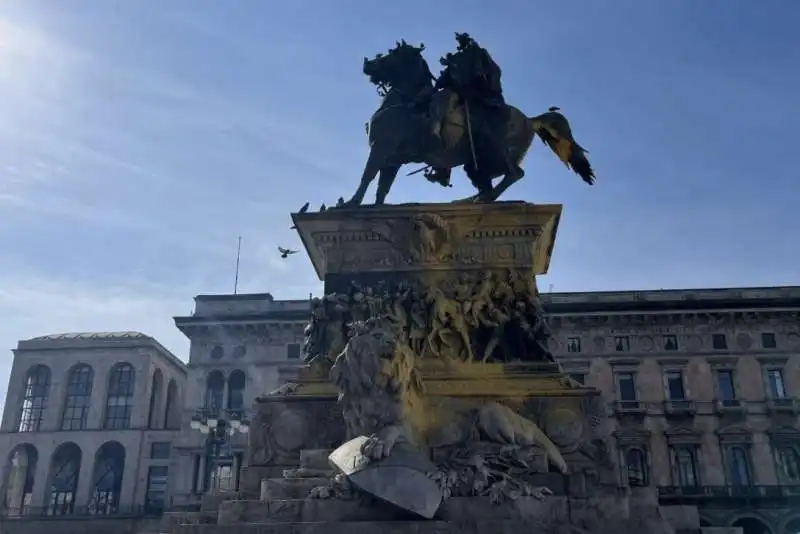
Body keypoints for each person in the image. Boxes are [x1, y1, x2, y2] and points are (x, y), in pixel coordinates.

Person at [433, 33, 522, 182]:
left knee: (478, 126)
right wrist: (445, 74)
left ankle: (493, 154)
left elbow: (486, 73)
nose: (461, 45)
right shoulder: (456, 58)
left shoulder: (478, 53)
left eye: (463, 41)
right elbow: (444, 81)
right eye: (459, 42)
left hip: (479, 96)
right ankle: (441, 167)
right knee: (441, 110)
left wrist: (476, 79)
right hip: (461, 95)